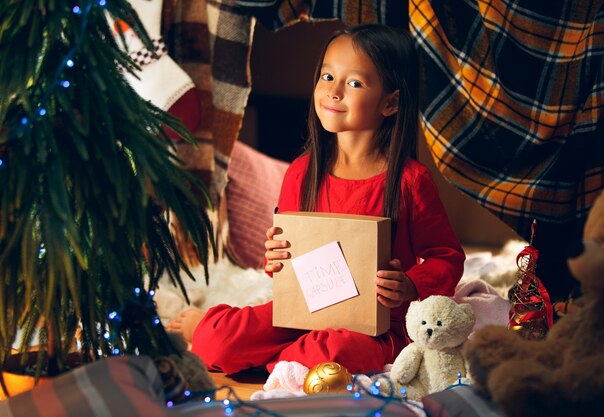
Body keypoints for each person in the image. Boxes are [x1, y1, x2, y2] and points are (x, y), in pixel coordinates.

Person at [168, 23, 465, 375]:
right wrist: (275, 256)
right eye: (327, 77)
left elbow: (445, 256)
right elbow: (287, 261)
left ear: (391, 102)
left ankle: (276, 362)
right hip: (304, 311)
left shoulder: (409, 180)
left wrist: (411, 284)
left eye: (354, 83)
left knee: (336, 351)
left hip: (376, 326)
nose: (334, 91)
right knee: (218, 339)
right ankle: (259, 350)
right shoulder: (301, 172)